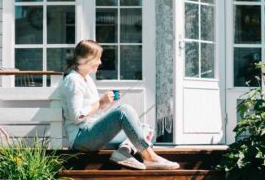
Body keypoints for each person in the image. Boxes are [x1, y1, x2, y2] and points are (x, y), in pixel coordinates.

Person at [60, 39, 179, 170]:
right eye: (97, 58)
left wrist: (104, 103)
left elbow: (94, 114)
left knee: (145, 128)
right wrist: (100, 102)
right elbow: (76, 117)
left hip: (91, 132)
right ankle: (149, 157)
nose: (100, 62)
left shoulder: (87, 79)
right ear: (86, 59)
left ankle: (123, 151)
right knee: (124, 111)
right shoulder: (73, 81)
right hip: (81, 138)